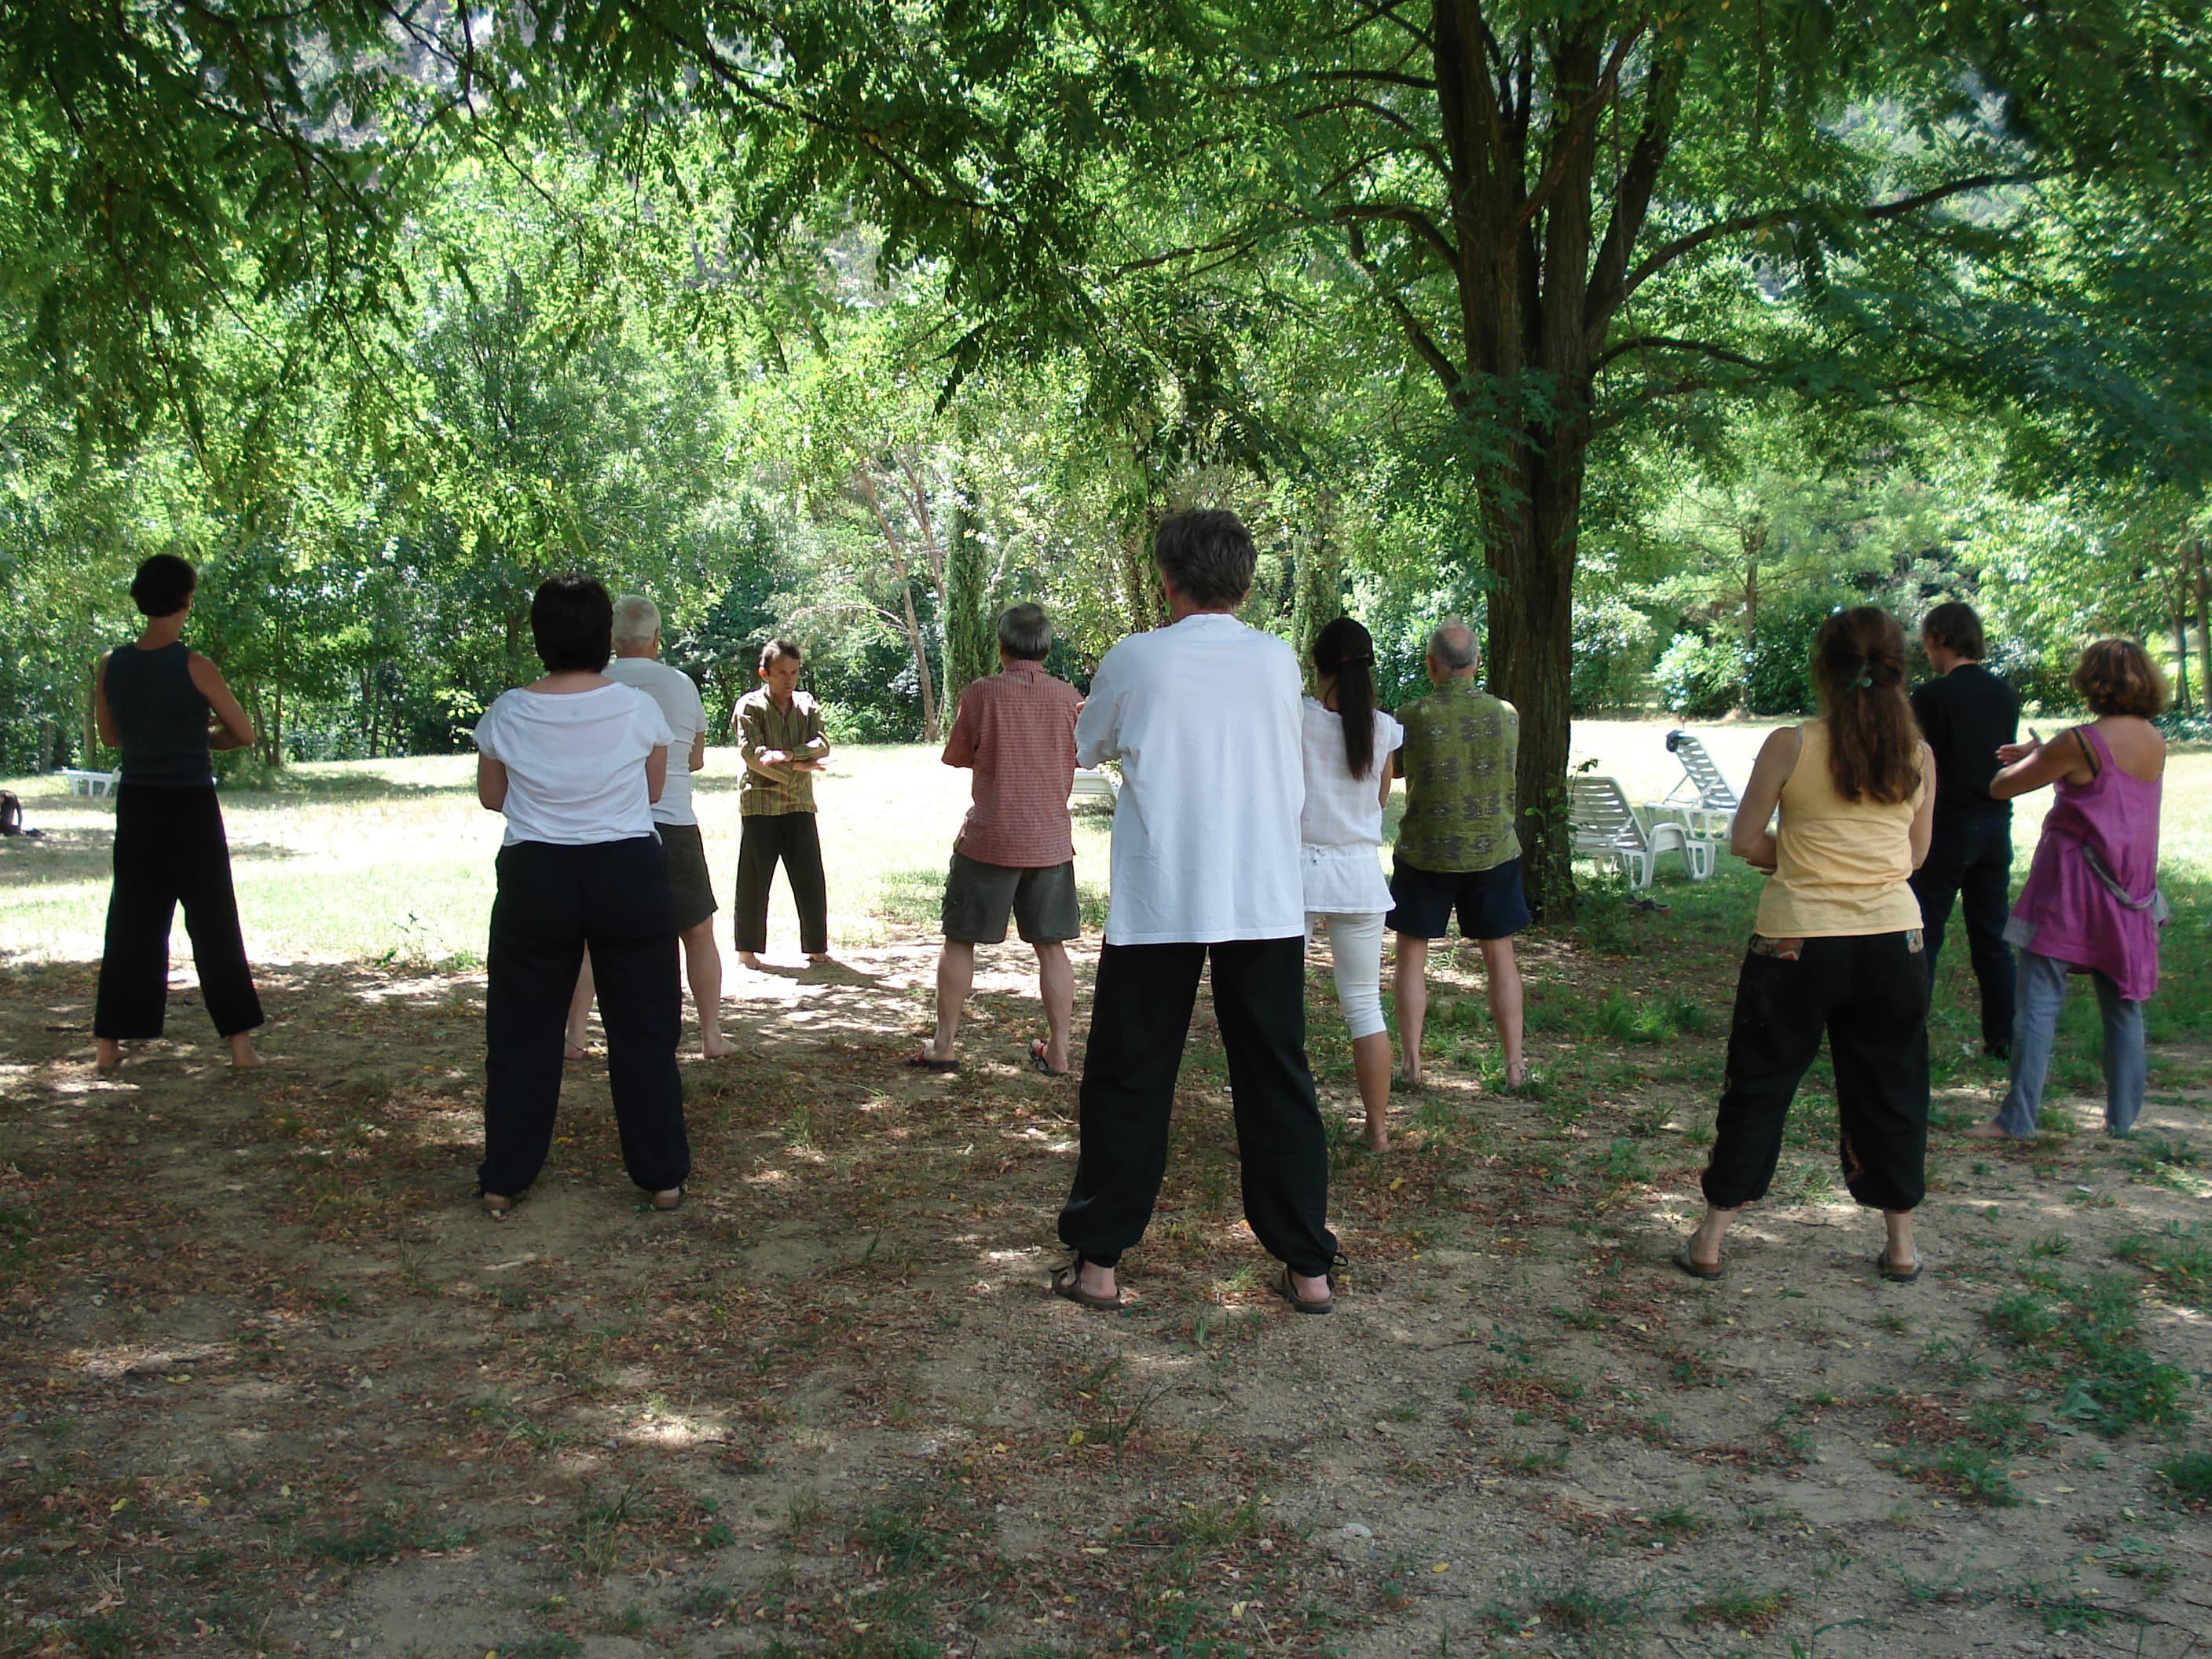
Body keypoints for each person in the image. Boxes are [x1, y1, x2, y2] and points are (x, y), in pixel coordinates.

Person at [1053, 508, 1341, 1315]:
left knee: (1129, 1076)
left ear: (1166, 579)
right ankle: (1307, 1266)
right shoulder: (1274, 660)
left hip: (1162, 898)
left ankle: (1100, 1264)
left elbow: (1088, 747)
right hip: (1262, 897)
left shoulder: (1135, 659)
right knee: (1276, 1079)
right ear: (1243, 581)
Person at [1680, 606, 1936, 1284]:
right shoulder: (1916, 753)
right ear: (1896, 667)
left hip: (1798, 939)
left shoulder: (1791, 744)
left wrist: (1792, 857)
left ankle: (1710, 1240)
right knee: (1893, 1086)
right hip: (1893, 940)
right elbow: (1914, 857)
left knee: (1760, 1082)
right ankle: (1902, 1245)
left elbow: (1744, 841)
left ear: (1822, 668)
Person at [471, 576, 689, 1220]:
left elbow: (492, 795)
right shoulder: (635, 708)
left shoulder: (509, 710)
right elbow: (651, 792)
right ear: (603, 637)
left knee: (520, 1030)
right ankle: (662, 1177)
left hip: (537, 874)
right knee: (644, 1029)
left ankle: (503, 1179)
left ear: (542, 637)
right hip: (626, 870)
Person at [1968, 639, 2167, 1141]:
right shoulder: (2155, 740)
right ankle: (2123, 1122)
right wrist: (2045, 754)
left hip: (2072, 886)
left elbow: (2001, 786)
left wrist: (2034, 756)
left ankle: (2017, 1119)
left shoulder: (2080, 741)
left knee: (2038, 1000)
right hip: (2130, 887)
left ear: (2091, 681)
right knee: (2123, 1004)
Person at [91, 555, 265, 1070]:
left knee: (131, 921)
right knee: (213, 922)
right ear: (185, 600)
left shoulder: (111, 664)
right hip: (190, 806)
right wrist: (201, 739)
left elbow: (109, 737)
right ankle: (240, 1047)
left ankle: (109, 1046)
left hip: (138, 805)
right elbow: (244, 733)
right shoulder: (195, 665)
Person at [911, 603, 1085, 1076]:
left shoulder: (980, 694)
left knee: (959, 941)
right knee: (1052, 947)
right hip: (1050, 841)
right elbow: (1084, 755)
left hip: (989, 838)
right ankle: (1060, 1051)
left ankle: (944, 1045)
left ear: (1001, 645)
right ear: (1046, 647)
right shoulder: (1069, 697)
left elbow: (957, 755)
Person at [565, 595, 729, 1060]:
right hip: (674, 821)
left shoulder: (593, 685)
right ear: (657, 637)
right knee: (697, 931)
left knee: (592, 939)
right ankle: (712, 1036)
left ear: (612, 640)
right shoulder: (682, 685)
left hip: (609, 827)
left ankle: (574, 1036)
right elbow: (695, 758)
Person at [1387, 619, 1529, 1090]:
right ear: (1477, 664)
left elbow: (1396, 772)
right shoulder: (1506, 714)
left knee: (1411, 957)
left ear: (1431, 665)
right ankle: (1513, 1065)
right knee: (1500, 957)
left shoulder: (1410, 716)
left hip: (1425, 852)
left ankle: (1411, 1062)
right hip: (1493, 851)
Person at [1298, 617, 1404, 1151]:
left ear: (1317, 667)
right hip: (1360, 874)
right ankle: (1378, 1130)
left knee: (1278, 1004)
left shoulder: (1296, 720)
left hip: (1294, 874)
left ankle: (1283, 1129)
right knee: (1364, 1004)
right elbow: (1380, 800)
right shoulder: (1384, 729)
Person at [1909, 601, 2020, 1058]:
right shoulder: (2004, 693)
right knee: (1992, 938)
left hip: (1946, 826)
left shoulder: (1931, 697)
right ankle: (2003, 1039)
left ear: (1939, 640)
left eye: (1927, 642)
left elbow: (1916, 764)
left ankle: (1909, 1035)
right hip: (1995, 823)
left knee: (1924, 933)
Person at [731, 639, 831, 968]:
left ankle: (816, 945)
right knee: (755, 878)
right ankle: (747, 950)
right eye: (781, 673)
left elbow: (822, 745)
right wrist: (799, 767)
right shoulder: (749, 707)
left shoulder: (806, 705)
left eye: (794, 672)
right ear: (765, 673)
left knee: (809, 876)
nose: (789, 680)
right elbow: (754, 755)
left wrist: (789, 756)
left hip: (800, 803)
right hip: (760, 803)